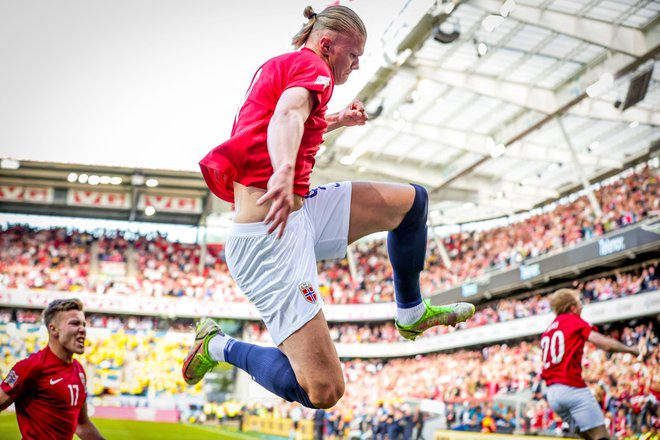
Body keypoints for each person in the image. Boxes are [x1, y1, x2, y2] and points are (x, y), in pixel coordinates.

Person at [182, 4, 475, 409]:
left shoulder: (286, 67)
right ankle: (218, 345)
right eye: (353, 55)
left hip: (300, 215)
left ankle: (410, 312)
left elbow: (290, 115)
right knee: (324, 391)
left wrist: (335, 119)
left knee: (412, 203)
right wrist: (283, 170)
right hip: (269, 241)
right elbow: (285, 116)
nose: (355, 65)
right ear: (326, 44)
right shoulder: (315, 69)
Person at [540, 288, 641, 440]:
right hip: (572, 388)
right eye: (579, 303)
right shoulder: (574, 320)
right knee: (601, 436)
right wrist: (629, 349)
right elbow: (604, 344)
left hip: (553, 394)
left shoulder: (548, 330)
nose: (582, 307)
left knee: (588, 437)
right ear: (572, 308)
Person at [0, 298, 105, 440]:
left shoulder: (79, 371)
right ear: (53, 329)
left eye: (84, 324)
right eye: (75, 323)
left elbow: (82, 424)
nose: (83, 329)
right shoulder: (32, 366)